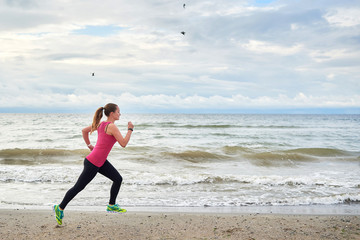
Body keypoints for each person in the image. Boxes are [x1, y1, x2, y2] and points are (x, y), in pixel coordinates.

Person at [53, 103, 134, 225]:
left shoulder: (101, 124)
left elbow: (84, 131)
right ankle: (59, 208)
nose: (120, 114)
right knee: (78, 187)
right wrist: (130, 129)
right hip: (93, 163)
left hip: (99, 161)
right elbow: (123, 143)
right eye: (118, 112)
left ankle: (111, 205)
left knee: (117, 179)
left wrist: (90, 145)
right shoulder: (111, 126)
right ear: (112, 114)